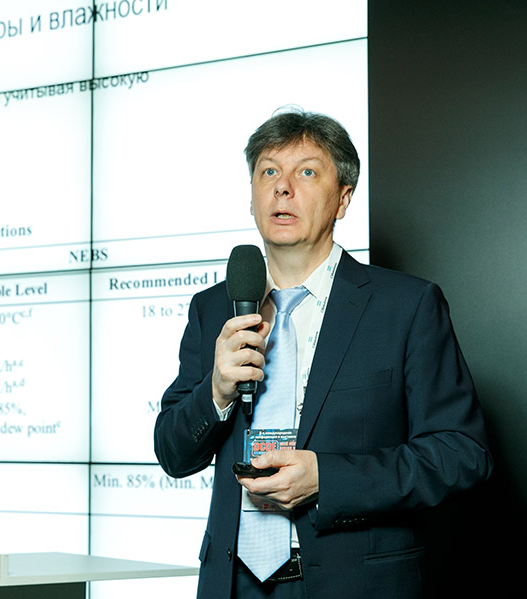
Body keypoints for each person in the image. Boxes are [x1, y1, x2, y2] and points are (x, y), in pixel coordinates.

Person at [153, 109, 491, 599]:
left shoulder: (406, 306)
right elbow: (172, 453)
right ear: (251, 197)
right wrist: (216, 393)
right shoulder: (213, 308)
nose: (282, 187)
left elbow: (461, 454)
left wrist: (328, 479)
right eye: (269, 171)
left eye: (306, 172)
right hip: (232, 584)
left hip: (355, 584)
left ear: (344, 199)